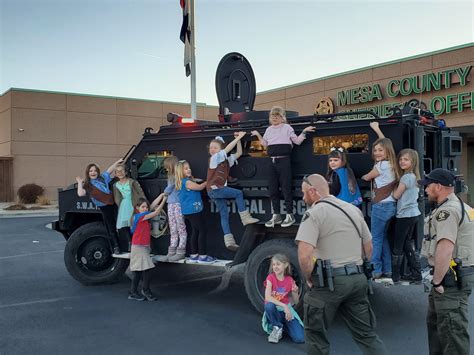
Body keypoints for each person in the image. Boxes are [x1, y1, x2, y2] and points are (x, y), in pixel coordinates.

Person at [296, 174, 388, 355]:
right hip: (357, 279)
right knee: (366, 335)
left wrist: (308, 277)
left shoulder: (314, 213)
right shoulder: (352, 210)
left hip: (329, 284)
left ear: (313, 192)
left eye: (304, 192)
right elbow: (369, 248)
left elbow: (304, 255)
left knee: (316, 336)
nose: (303, 197)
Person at [418, 168, 474, 355]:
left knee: (452, 334)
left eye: (428, 186)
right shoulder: (461, 206)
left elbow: (445, 248)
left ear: (438, 186)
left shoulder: (447, 212)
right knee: (440, 330)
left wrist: (438, 281)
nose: (425, 190)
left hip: (450, 280)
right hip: (456, 276)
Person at [251, 106, 316, 228]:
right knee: (273, 189)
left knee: (286, 188)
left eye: (277, 116)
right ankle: (276, 215)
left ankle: (289, 215)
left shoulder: (287, 128)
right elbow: (265, 144)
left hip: (284, 161)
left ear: (282, 118)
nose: (274, 118)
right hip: (271, 162)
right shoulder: (269, 130)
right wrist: (258, 135)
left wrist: (304, 131)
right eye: (272, 116)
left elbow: (297, 141)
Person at [206, 132, 259, 251]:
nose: (212, 150)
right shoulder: (214, 158)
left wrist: (238, 140)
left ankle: (229, 241)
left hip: (214, 191)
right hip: (215, 189)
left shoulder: (226, 160)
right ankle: (245, 217)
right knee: (238, 193)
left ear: (220, 149)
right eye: (211, 148)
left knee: (224, 214)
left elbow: (238, 153)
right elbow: (227, 149)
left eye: (215, 148)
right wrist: (239, 137)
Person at [362, 121, 399, 278]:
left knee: (375, 238)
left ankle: (376, 269)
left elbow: (367, 177)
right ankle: (388, 268)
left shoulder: (381, 166)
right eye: (375, 150)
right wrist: (377, 130)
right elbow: (386, 143)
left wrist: (363, 176)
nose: (376, 152)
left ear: (386, 151)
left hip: (380, 206)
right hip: (391, 205)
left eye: (380, 150)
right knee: (382, 237)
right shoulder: (393, 163)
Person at [76, 159, 123, 254]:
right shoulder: (88, 185)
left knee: (121, 224)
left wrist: (118, 162)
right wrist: (80, 183)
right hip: (105, 208)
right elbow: (80, 193)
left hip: (113, 204)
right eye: (91, 171)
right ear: (88, 173)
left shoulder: (102, 178)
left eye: (95, 170)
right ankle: (116, 247)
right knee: (110, 227)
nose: (93, 172)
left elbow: (109, 170)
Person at [390, 149, 422, 283]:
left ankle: (395, 275)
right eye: (401, 159)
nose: (402, 161)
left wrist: (389, 192)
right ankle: (416, 272)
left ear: (413, 162)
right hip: (414, 214)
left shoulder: (405, 177)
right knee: (407, 243)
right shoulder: (415, 177)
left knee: (397, 245)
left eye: (406, 159)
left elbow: (396, 196)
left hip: (404, 215)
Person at [175, 160, 216, 264]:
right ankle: (203, 256)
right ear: (180, 172)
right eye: (186, 168)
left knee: (195, 231)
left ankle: (194, 255)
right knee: (202, 230)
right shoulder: (187, 182)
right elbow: (199, 187)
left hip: (189, 211)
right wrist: (209, 181)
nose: (189, 169)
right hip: (194, 211)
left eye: (189, 168)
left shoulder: (184, 181)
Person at [128, 195, 167, 301]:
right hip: (139, 247)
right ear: (137, 208)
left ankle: (134, 292)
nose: (145, 209)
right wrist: (164, 200)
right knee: (148, 269)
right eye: (143, 207)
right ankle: (145, 290)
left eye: (146, 207)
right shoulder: (141, 216)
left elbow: (152, 205)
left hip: (142, 246)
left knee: (139, 271)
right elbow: (156, 212)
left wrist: (161, 195)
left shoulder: (140, 215)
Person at [263, 253, 304, 344]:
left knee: (300, 338)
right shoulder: (271, 277)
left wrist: (295, 292)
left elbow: (296, 301)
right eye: (273, 264)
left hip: (286, 312)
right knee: (269, 305)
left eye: (278, 264)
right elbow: (267, 297)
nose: (275, 267)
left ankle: (283, 326)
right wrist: (284, 306)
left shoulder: (289, 280)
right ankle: (277, 327)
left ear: (285, 265)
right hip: (275, 311)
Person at [113, 163, 146, 252]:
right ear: (115, 174)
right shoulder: (116, 185)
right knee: (125, 225)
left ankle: (138, 244)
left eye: (122, 171)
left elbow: (140, 193)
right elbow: (117, 196)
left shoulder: (132, 182)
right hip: (124, 205)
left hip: (133, 204)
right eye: (117, 171)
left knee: (134, 224)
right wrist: (119, 203)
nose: (120, 173)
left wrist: (143, 204)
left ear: (126, 172)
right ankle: (130, 243)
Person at [162, 156, 187, 261]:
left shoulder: (175, 177)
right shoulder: (174, 177)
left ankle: (180, 251)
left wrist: (164, 194)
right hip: (172, 204)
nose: (166, 169)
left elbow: (168, 190)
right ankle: (172, 251)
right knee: (174, 227)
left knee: (179, 227)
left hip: (176, 204)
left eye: (167, 167)